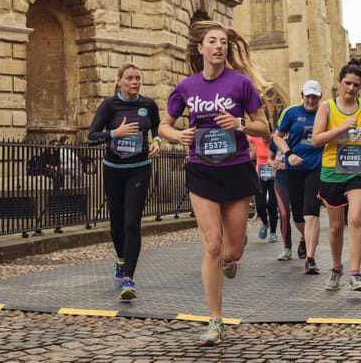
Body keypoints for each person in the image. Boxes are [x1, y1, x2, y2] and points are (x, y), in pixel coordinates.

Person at [158, 20, 270, 346]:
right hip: (201, 170)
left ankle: (232, 259)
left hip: (235, 169)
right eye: (212, 41)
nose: (219, 46)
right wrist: (178, 134)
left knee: (233, 248)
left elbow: (264, 127)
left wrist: (240, 124)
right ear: (201, 48)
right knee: (212, 245)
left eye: (223, 42)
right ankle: (215, 320)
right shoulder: (187, 87)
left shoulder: (241, 84)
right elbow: (164, 126)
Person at [87, 63, 162, 300]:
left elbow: (158, 126)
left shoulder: (148, 105)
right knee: (117, 222)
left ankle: (128, 278)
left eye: (138, 78)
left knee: (132, 222)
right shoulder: (110, 105)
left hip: (139, 168)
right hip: (113, 169)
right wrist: (113, 134)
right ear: (119, 81)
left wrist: (157, 140)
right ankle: (120, 260)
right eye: (129, 78)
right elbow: (91, 137)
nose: (135, 82)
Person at [311, 57, 361, 292]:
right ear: (339, 82)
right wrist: (340, 128)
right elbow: (316, 140)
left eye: (356, 85)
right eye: (347, 83)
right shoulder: (326, 107)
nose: (351, 88)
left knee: (356, 219)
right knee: (336, 226)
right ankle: (336, 267)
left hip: (358, 169)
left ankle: (355, 274)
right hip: (331, 170)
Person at [272, 80, 325, 270]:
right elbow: (277, 136)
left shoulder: (324, 112)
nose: (311, 100)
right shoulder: (291, 112)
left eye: (315, 97)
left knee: (312, 212)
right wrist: (289, 154)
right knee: (298, 217)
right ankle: (304, 237)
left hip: (316, 168)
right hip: (294, 169)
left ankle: (310, 258)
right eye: (308, 96)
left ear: (320, 97)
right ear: (302, 95)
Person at [249, 134, 278, 243]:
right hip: (260, 176)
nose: (265, 139)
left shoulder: (275, 139)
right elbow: (243, 134)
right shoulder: (256, 138)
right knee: (260, 205)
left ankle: (273, 233)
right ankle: (265, 223)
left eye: (267, 136)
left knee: (272, 205)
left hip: (274, 177)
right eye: (263, 136)